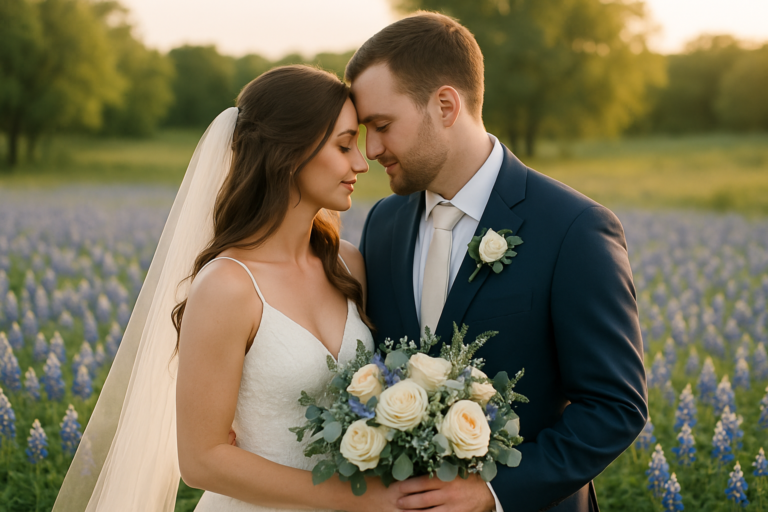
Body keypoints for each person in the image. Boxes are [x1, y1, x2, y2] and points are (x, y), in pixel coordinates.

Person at [52, 65, 404, 512]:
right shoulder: (228, 285)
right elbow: (201, 461)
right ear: (289, 153)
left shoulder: (348, 263)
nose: (361, 161)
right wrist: (360, 499)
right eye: (343, 145)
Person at [350, 12, 648, 512]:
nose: (371, 149)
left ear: (445, 105)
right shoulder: (383, 221)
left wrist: (494, 491)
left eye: (382, 126)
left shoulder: (573, 228)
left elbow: (615, 407)